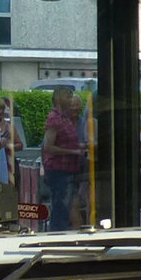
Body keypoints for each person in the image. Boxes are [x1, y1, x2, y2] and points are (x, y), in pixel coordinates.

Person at [41, 84, 86, 231]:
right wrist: (72, 152)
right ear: (60, 100)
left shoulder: (64, 118)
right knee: (60, 208)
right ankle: (56, 236)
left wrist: (80, 147)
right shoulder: (55, 119)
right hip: (59, 170)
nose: (71, 100)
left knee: (66, 207)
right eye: (68, 97)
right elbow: (48, 146)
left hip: (69, 169)